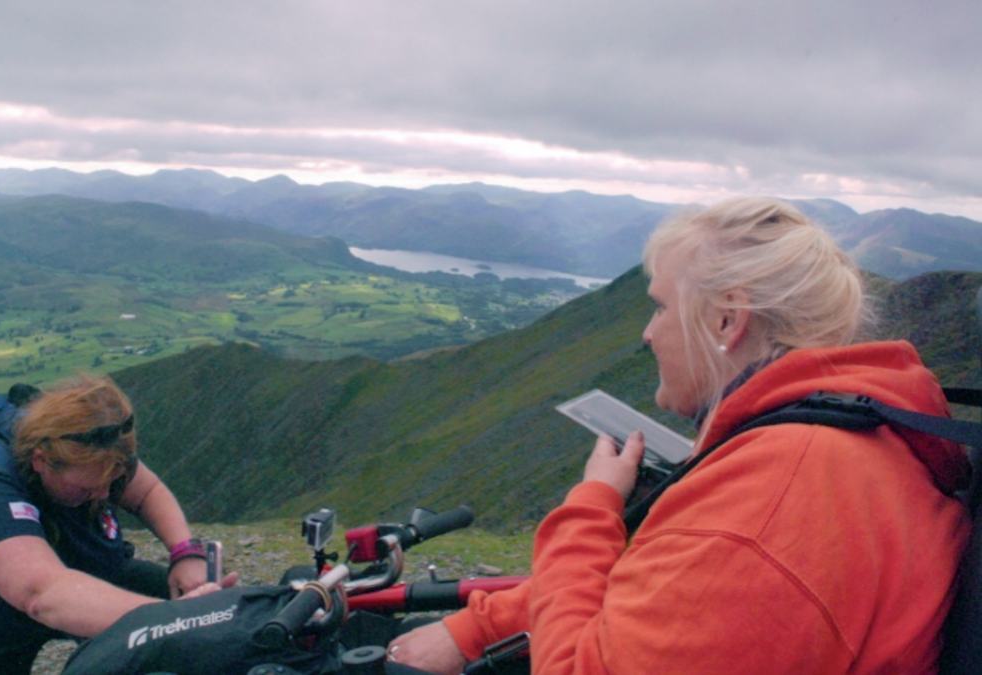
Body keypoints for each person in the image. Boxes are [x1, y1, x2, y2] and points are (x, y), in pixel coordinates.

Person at [388, 197, 971, 673]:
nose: (648, 334)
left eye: (661, 308)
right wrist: (478, 627)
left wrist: (593, 503)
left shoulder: (769, 500)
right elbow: (663, 587)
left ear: (727, 320)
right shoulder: (837, 435)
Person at [0, 374, 237, 674]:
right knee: (183, 616)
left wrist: (185, 553)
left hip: (68, 575)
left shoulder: (96, 449)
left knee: (193, 609)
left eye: (112, 483)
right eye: (87, 489)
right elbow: (43, 594)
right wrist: (176, 621)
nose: (104, 495)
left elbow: (146, 491)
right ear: (40, 461)